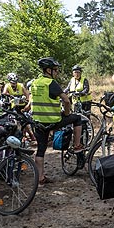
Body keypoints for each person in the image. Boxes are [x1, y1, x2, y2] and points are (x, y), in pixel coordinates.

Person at [30, 57, 83, 185]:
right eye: (55, 70)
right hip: (52, 120)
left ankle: (41, 177)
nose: (57, 72)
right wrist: (66, 113)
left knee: (41, 149)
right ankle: (77, 145)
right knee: (77, 118)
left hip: (38, 121)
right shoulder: (50, 83)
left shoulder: (35, 82)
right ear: (48, 70)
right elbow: (66, 100)